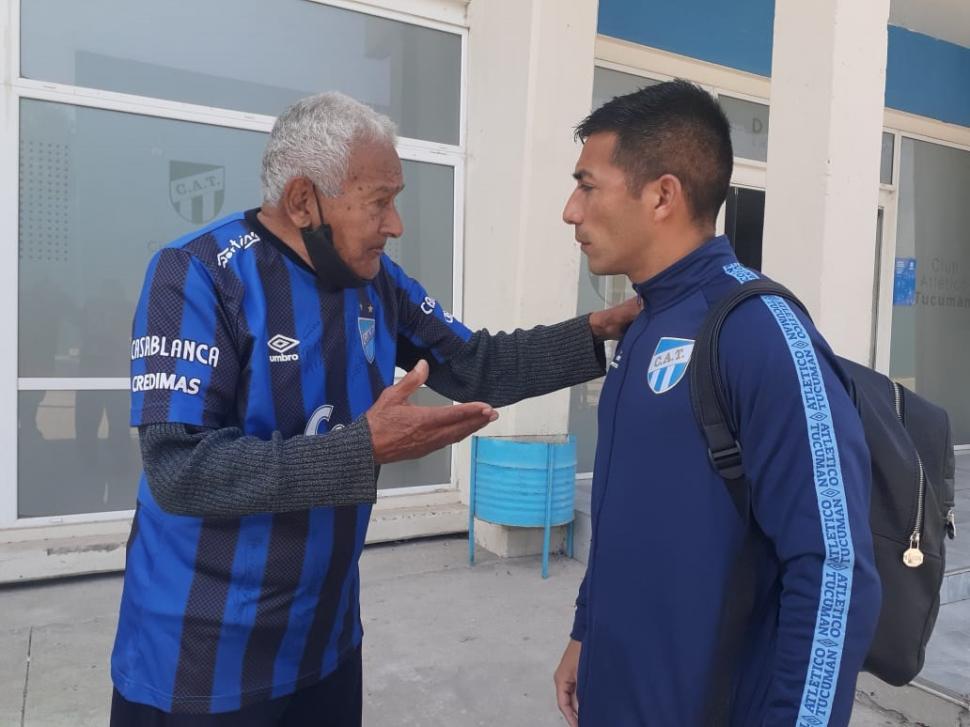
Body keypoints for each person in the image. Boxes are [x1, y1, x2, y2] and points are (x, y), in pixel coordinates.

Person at [109, 91, 639, 726]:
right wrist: (364, 447)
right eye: (380, 202)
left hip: (325, 642)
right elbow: (179, 470)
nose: (396, 225)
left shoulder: (377, 284)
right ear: (304, 201)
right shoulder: (195, 274)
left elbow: (476, 364)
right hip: (201, 659)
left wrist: (596, 331)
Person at [552, 80, 881, 726]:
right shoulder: (642, 323)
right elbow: (627, 507)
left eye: (587, 185)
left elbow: (835, 567)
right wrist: (586, 632)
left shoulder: (759, 332)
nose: (571, 210)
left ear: (663, 195)